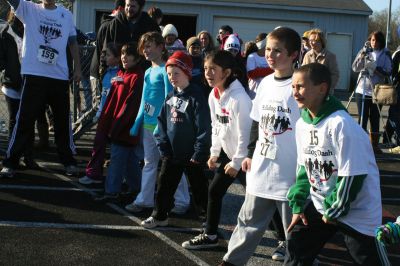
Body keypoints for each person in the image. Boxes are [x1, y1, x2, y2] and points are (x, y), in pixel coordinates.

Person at [219, 27, 301, 266]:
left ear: (294, 54)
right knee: (247, 221)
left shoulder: (300, 85)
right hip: (262, 168)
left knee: (294, 233)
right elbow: (256, 119)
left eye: (278, 51)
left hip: (290, 173)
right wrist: (250, 153)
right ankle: (231, 261)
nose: (271, 55)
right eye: (268, 49)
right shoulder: (264, 82)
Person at [285, 63, 382, 265]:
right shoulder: (302, 124)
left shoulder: (341, 124)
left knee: (367, 260)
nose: (295, 92)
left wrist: (334, 210)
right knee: (296, 248)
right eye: (293, 87)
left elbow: (352, 176)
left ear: (322, 88)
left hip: (356, 212)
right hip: (323, 205)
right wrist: (298, 203)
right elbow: (304, 169)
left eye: (300, 86)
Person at [1, 0, 81, 178]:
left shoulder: (66, 15)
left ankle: (69, 161)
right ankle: (10, 163)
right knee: (24, 120)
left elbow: (73, 43)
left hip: (58, 76)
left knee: (62, 122)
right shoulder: (29, 9)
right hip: (34, 74)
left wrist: (77, 69)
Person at [181, 50, 252, 250]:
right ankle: (210, 235)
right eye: (205, 69)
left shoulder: (240, 99)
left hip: (249, 160)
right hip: (232, 157)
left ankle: (285, 241)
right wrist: (214, 153)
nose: (208, 73)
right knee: (214, 191)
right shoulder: (214, 94)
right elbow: (217, 126)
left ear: (227, 72)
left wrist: (237, 162)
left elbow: (245, 135)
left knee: (262, 201)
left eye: (213, 69)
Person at [141, 51, 211, 229]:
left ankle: (207, 222)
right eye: (169, 74)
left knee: (199, 189)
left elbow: (203, 126)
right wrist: (163, 146)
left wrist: (200, 151)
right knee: (164, 185)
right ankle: (159, 216)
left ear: (187, 72)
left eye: (176, 73)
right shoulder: (170, 96)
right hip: (172, 153)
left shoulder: (196, 96)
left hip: (193, 154)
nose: (172, 77)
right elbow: (162, 122)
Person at [125, 32, 190, 213]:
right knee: (149, 163)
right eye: (144, 46)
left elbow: (171, 97)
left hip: (163, 127)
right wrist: (137, 122)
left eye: (149, 46)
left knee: (172, 164)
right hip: (148, 125)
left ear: (161, 47)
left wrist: (170, 124)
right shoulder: (148, 71)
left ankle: (183, 201)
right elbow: (144, 100)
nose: (145, 50)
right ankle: (145, 199)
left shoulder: (165, 70)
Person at [94, 43, 143, 201]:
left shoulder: (136, 77)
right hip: (120, 125)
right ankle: (136, 188)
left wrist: (116, 127)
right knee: (130, 161)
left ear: (136, 58)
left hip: (126, 126)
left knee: (117, 159)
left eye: (128, 54)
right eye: (122, 54)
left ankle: (111, 191)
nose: (124, 57)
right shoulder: (122, 74)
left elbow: (131, 106)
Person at [0, 9, 40, 169]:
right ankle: (13, 158)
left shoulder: (33, 29)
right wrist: (7, 73)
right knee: (14, 121)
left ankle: (28, 157)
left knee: (29, 121)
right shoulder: (6, 32)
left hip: (30, 82)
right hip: (12, 83)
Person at [78, 43, 121, 185]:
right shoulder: (107, 72)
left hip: (115, 117)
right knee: (98, 145)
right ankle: (93, 174)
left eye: (108, 55)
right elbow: (104, 97)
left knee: (117, 149)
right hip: (104, 115)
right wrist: (100, 113)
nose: (104, 57)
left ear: (117, 58)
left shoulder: (120, 75)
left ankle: (118, 179)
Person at [352, 31, 392, 154]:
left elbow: (389, 71)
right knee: (362, 117)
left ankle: (374, 145)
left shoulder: (385, 53)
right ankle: (360, 143)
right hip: (362, 89)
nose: (374, 43)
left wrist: (376, 69)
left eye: (376, 40)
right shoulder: (364, 51)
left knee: (375, 117)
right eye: (372, 40)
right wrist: (362, 56)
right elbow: (355, 68)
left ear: (381, 41)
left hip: (377, 90)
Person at [302, 29, 339, 93]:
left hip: (324, 92)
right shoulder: (307, 55)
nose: (311, 42)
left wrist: (327, 88)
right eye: (310, 40)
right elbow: (303, 72)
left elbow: (335, 75)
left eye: (315, 40)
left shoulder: (330, 56)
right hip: (309, 91)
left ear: (321, 41)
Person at [383, 44, 400, 152]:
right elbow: (392, 73)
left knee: (394, 115)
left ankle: (389, 138)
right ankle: (392, 139)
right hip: (398, 89)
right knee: (395, 114)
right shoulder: (398, 54)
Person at [246, 33, 274, 98]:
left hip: (268, 92)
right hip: (254, 92)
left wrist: (260, 70)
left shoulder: (271, 57)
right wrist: (271, 70)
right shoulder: (252, 56)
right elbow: (252, 74)